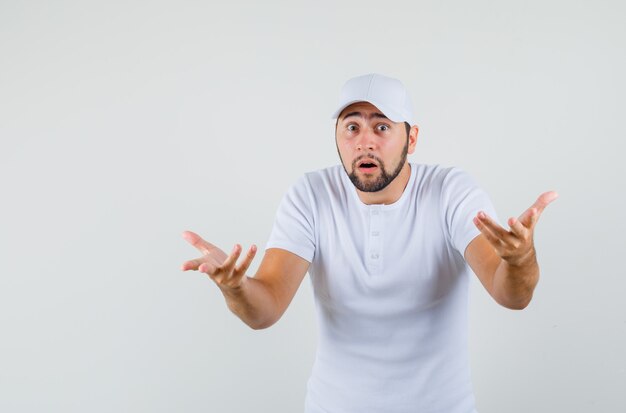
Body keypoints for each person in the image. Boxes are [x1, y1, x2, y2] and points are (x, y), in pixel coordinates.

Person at [181, 73, 558, 413]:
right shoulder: (311, 195)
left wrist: (520, 260)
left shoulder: (450, 192)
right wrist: (236, 288)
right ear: (336, 137)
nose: (365, 142)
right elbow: (264, 310)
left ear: (411, 138)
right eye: (352, 127)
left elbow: (511, 295)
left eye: (382, 127)